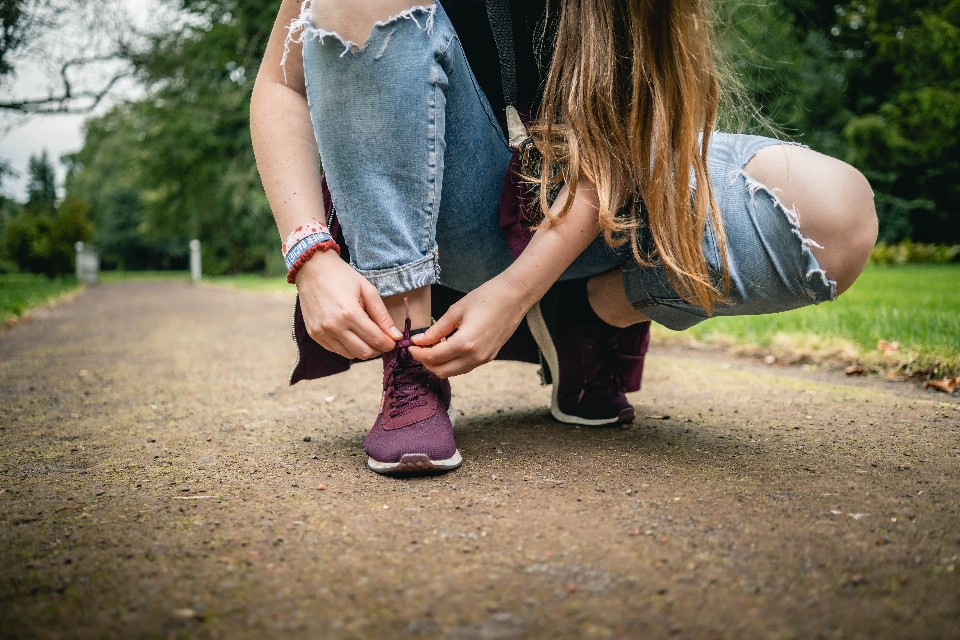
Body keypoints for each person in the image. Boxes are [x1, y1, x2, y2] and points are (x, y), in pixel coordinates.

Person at [250, 0, 877, 475]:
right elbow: (282, 85)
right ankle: (411, 356)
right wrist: (310, 253)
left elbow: (631, 131)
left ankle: (587, 314)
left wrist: (522, 291)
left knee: (835, 216)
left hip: (607, 197)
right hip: (447, 212)